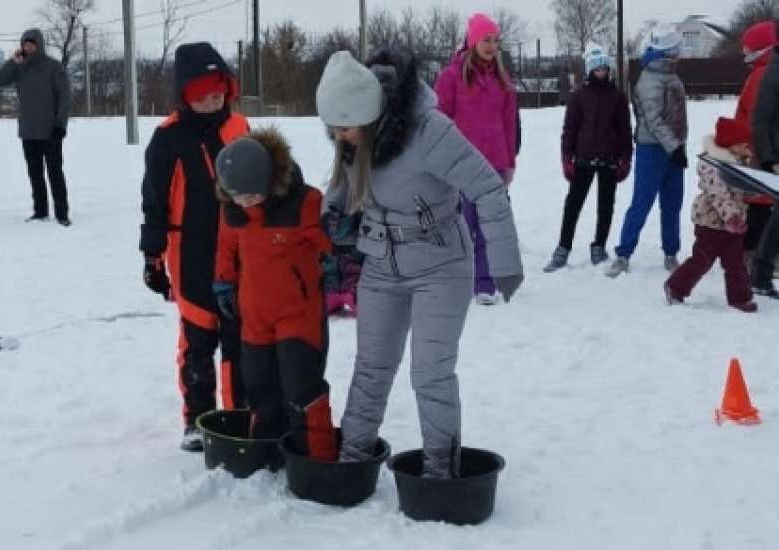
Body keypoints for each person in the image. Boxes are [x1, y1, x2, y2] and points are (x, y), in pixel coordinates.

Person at [316, 50, 523, 478]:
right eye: (332, 130)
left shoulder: (430, 131)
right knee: (371, 367)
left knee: (430, 372)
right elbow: (340, 189)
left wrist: (504, 261)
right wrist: (327, 222)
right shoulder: (353, 137)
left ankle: (439, 473)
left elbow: (487, 188)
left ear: (370, 113)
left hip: (441, 265)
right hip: (380, 263)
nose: (340, 138)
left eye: (346, 128)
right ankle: (352, 461)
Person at [139, 42, 248, 451]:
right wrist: (153, 257)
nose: (212, 98)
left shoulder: (240, 128)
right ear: (186, 94)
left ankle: (240, 416)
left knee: (240, 336)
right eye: (202, 92)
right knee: (199, 336)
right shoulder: (167, 138)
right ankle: (199, 421)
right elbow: (154, 201)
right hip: (191, 250)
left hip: (239, 249)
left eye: (219, 88)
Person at [213, 129, 337, 460]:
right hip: (254, 317)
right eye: (237, 197)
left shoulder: (304, 203)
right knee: (260, 387)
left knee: (301, 388)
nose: (245, 203)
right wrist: (223, 281)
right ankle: (268, 452)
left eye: (251, 196)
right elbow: (227, 248)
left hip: (298, 314)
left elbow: (328, 242)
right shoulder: (232, 211)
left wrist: (336, 258)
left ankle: (315, 457)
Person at [434, 13, 518, 305]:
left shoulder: (502, 80)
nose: (492, 46)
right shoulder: (451, 76)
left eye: (495, 40)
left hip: (494, 164)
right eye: (486, 39)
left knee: (488, 226)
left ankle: (484, 282)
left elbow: (509, 125)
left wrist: (509, 163)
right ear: (472, 41)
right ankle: (455, 279)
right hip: (462, 164)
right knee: (461, 225)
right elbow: (438, 120)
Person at [544, 44, 632, 271]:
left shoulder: (618, 97)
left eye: (604, 68)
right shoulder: (579, 97)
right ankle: (563, 248)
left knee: (606, 206)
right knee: (573, 205)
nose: (601, 72)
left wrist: (626, 158)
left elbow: (625, 130)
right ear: (589, 70)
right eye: (597, 68)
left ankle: (599, 246)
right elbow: (569, 129)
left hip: (609, 160)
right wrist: (566, 158)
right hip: (582, 159)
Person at [607, 28, 688, 278]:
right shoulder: (649, 79)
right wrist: (674, 147)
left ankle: (671, 252)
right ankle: (623, 254)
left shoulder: (671, 76)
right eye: (676, 50)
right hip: (652, 150)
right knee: (642, 203)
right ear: (667, 52)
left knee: (673, 203)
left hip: (674, 148)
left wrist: (679, 145)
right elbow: (653, 120)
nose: (680, 55)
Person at [664, 118, 757, 313]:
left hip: (734, 223)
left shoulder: (738, 162)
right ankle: (675, 287)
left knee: (736, 263)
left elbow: (741, 189)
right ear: (731, 145)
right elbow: (718, 194)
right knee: (702, 260)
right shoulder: (712, 165)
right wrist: (732, 217)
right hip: (711, 223)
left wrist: (757, 187)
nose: (746, 147)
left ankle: (740, 298)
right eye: (742, 144)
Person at [0, 29, 72, 226]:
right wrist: (13, 62)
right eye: (25, 44)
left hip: (50, 131)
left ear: (39, 44)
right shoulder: (20, 67)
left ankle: (62, 213)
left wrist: (60, 124)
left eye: (31, 44)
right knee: (35, 174)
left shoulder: (53, 67)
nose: (27, 47)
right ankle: (40, 211)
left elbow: (64, 98)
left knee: (55, 173)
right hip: (28, 131)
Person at [735, 21, 777, 268]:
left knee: (759, 202)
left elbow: (754, 117)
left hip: (759, 149)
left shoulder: (761, 75)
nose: (744, 53)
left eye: (748, 47)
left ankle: (752, 256)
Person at [750, 21, 779, 298]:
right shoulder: (774, 72)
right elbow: (760, 119)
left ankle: (760, 272)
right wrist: (769, 159)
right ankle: (760, 272)